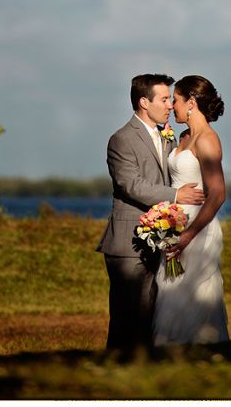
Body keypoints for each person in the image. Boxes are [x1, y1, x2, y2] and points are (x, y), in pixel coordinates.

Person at [97, 73, 205, 352]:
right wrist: (176, 195)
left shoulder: (167, 136)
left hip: (160, 239)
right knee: (125, 319)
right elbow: (130, 184)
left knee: (149, 317)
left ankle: (143, 371)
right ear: (144, 102)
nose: (170, 104)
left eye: (171, 99)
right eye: (165, 99)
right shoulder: (121, 139)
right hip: (127, 242)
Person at [152, 74, 229, 346]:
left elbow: (218, 193)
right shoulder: (183, 137)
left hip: (197, 228)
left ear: (191, 102)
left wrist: (189, 234)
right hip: (173, 224)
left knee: (193, 293)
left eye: (175, 100)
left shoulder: (207, 140)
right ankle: (167, 347)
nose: (172, 106)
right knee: (170, 289)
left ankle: (200, 347)